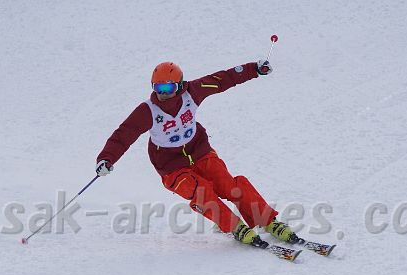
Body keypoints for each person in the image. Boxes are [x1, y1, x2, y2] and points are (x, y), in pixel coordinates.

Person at [95, 60, 299, 247]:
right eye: (158, 88)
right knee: (201, 192)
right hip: (172, 168)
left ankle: (268, 221)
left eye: (168, 88)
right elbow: (124, 134)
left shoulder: (192, 92)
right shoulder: (148, 111)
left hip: (201, 153)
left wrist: (253, 69)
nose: (163, 93)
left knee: (229, 186)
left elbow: (222, 79)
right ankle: (235, 227)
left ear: (179, 85)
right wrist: (106, 158)